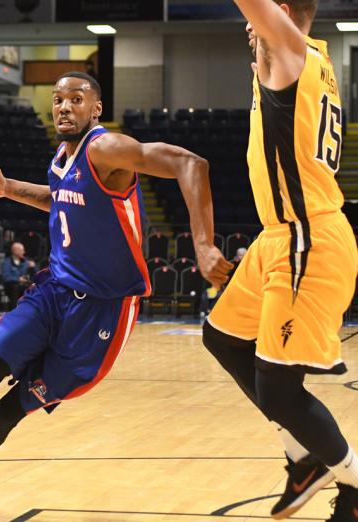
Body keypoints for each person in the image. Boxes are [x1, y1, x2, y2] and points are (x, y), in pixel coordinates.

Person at [0, 71, 230, 515]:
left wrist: (205, 245)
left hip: (104, 313)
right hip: (54, 292)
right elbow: (59, 197)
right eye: (58, 99)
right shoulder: (62, 155)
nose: (64, 107)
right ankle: (10, 380)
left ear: (95, 108)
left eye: (76, 99)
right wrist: (4, 188)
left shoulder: (104, 148)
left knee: (5, 415)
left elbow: (192, 164)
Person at [201, 1, 358, 520]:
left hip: (307, 238)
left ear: (281, 12)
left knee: (281, 391)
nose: (249, 27)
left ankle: (355, 484)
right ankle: (304, 455)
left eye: (256, 17)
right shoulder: (298, 59)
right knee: (221, 336)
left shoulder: (292, 53)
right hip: (277, 236)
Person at [0, 241, 36, 310]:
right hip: (11, 286)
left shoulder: (26, 262)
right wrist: (18, 279)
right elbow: (6, 277)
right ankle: (14, 310)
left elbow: (36, 275)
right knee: (15, 287)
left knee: (33, 288)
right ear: (15, 251)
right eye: (22, 250)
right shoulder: (7, 262)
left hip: (24, 285)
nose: (24, 252)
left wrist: (33, 267)